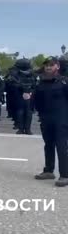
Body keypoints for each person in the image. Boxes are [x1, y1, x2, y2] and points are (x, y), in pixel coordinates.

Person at [34, 57, 68, 187]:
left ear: (57, 66)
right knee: (48, 145)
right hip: (46, 118)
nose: (48, 67)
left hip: (61, 119)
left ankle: (64, 175)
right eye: (46, 65)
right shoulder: (41, 83)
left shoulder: (64, 82)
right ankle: (48, 170)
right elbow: (37, 100)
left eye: (51, 65)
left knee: (61, 146)